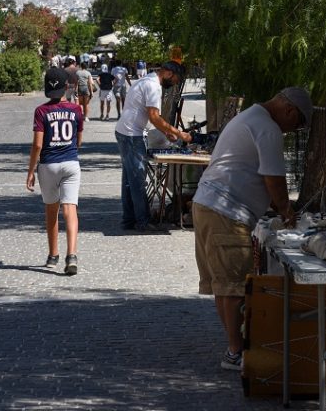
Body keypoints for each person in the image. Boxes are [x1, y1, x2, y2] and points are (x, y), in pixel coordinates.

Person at [191, 87, 312, 370]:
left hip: (209, 205)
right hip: (226, 211)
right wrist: (285, 210)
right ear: (289, 111)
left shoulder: (251, 116)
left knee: (224, 285)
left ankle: (236, 347)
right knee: (233, 288)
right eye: (295, 126)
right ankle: (236, 352)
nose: (290, 132)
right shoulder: (267, 128)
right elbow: (274, 179)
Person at [114, 61, 191, 232]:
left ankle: (128, 220)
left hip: (125, 132)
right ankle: (142, 221)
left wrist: (166, 133)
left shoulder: (145, 80)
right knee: (138, 180)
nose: (175, 83)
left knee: (129, 180)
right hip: (131, 135)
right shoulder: (153, 86)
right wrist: (179, 134)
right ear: (169, 73)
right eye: (176, 79)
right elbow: (155, 117)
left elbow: (151, 117)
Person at [26, 67, 85, 275]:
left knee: (51, 209)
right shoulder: (76, 110)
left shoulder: (41, 111)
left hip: (48, 164)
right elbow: (79, 140)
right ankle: (72, 255)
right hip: (70, 162)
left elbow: (37, 145)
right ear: (66, 87)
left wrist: (31, 170)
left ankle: (53, 255)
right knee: (70, 209)